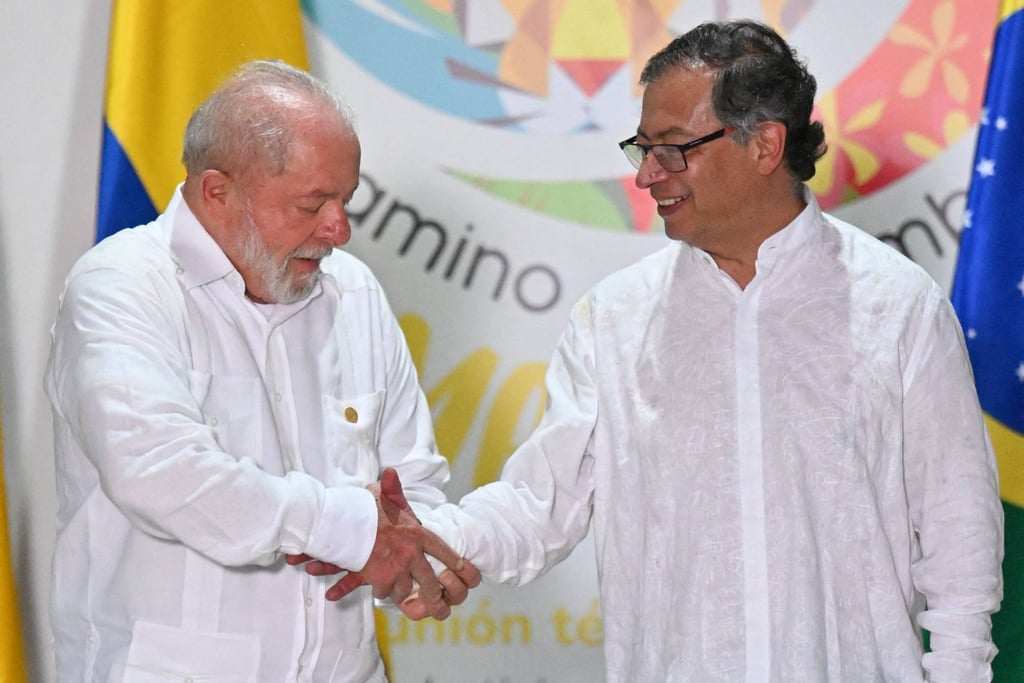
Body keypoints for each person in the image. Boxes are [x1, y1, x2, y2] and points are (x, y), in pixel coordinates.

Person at [384, 19, 1004, 682]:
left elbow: (959, 540)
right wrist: (437, 540)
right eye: (643, 149)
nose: (649, 175)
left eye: (674, 149)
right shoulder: (615, 320)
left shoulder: (899, 307)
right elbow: (541, 503)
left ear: (765, 145)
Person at [44, 60, 478, 682]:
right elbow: (161, 473)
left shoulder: (353, 292)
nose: (340, 229)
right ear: (217, 191)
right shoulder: (120, 287)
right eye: (312, 204)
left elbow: (409, 485)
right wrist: (346, 529)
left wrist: (415, 563)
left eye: (346, 199)